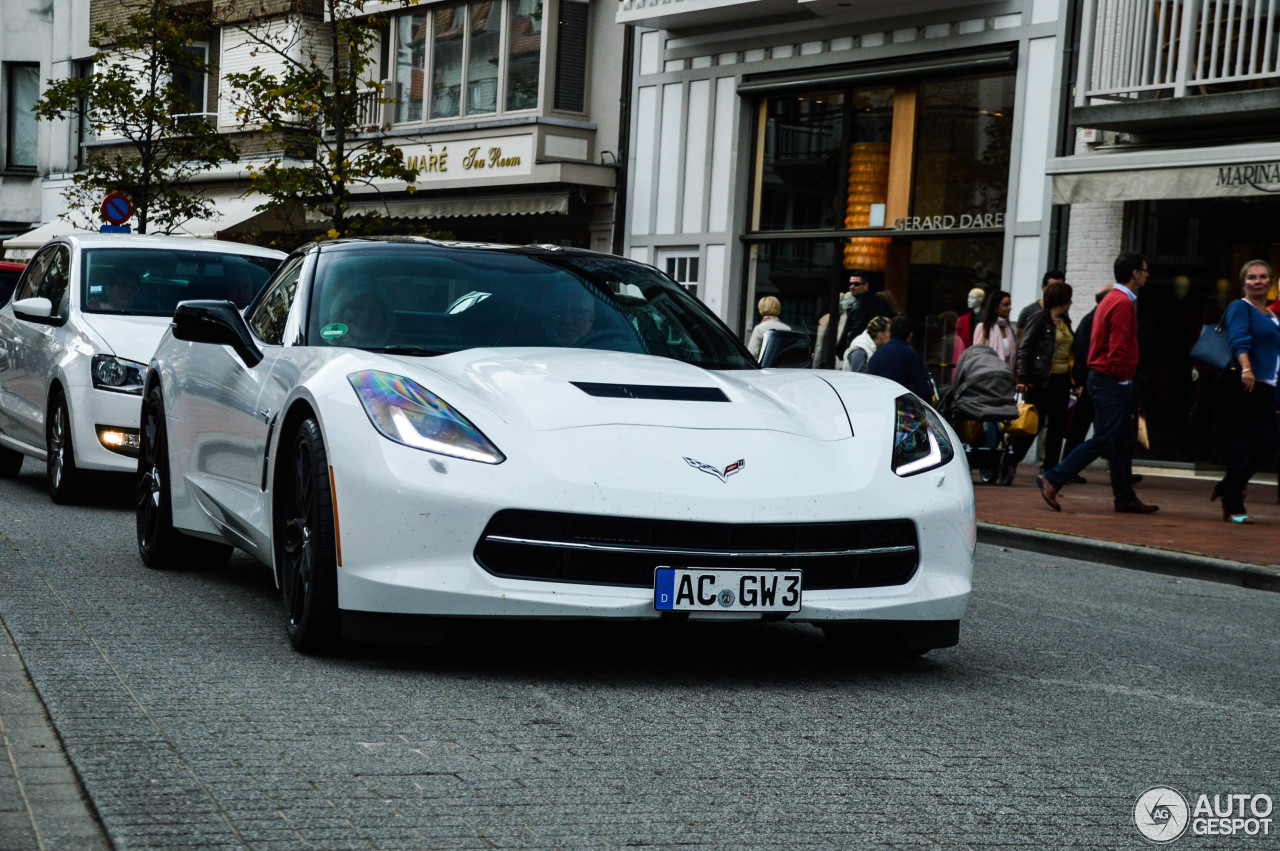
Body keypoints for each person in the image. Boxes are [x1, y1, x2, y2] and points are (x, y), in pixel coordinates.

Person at [1036, 252, 1157, 514]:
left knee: (1123, 440)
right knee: (1104, 439)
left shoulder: (1111, 299)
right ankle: (1053, 478)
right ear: (1134, 273)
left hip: (1104, 379)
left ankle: (1125, 497)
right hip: (1111, 381)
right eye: (1145, 270)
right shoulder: (1122, 303)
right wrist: (1122, 377)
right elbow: (1118, 349)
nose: (1148, 274)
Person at [1211, 260, 1280, 524]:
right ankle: (1233, 502)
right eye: (1252, 277)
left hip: (1266, 386)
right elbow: (1238, 338)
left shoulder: (1272, 315)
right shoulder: (1241, 307)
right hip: (1244, 383)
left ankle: (1228, 485)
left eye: (1263, 277)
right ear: (1243, 283)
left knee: (1269, 444)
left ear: (1270, 281)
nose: (1258, 281)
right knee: (1245, 444)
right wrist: (1246, 368)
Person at [1014, 282, 1073, 472]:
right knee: (1034, 425)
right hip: (1041, 380)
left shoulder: (1065, 322)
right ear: (1061, 300)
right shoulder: (1039, 319)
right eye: (1068, 298)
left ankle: (1050, 470)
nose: (1071, 302)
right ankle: (1011, 459)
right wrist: (1022, 379)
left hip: (1061, 380)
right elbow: (1026, 349)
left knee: (1057, 425)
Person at [1060, 284, 1114, 482]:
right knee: (1082, 428)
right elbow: (1081, 354)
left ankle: (1067, 468)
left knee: (1095, 429)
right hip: (1091, 383)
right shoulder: (1092, 321)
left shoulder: (1096, 319)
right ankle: (1066, 469)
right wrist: (1080, 382)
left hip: (1092, 382)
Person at [867, 315, 932, 400]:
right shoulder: (911, 355)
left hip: (877, 402)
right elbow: (923, 391)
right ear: (910, 336)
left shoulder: (876, 354)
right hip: (899, 406)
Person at [834, 272, 895, 362]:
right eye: (850, 284)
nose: (852, 286)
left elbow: (854, 331)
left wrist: (845, 349)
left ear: (866, 286)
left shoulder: (860, 305)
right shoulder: (878, 302)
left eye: (856, 284)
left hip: (862, 348)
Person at [325, 286, 392, 347]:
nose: (365, 316)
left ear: (384, 320)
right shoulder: (323, 349)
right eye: (356, 307)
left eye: (374, 311)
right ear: (340, 312)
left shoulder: (397, 348)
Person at [1016, 270, 1067, 342]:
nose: (1055, 291)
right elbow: (1021, 342)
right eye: (1051, 287)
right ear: (1043, 287)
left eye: (1059, 288)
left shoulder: (1063, 313)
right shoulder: (1029, 311)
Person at [973, 290, 1016, 372]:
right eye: (1006, 305)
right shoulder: (983, 327)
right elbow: (976, 356)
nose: (1010, 308)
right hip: (987, 377)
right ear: (995, 308)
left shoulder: (1009, 329)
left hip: (1006, 377)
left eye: (1010, 304)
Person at [952, 287, 985, 362]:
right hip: (966, 358)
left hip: (981, 358)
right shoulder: (963, 320)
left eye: (972, 297)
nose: (968, 300)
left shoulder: (987, 320)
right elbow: (959, 345)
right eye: (968, 297)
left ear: (980, 299)